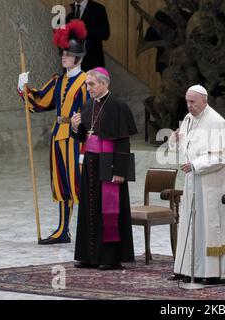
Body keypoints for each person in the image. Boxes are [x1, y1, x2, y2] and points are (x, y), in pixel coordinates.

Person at [17, 20, 89, 245]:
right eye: (63, 54)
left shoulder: (87, 81)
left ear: (77, 57)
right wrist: (24, 88)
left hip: (78, 139)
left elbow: (93, 111)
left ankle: (89, 231)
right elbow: (41, 101)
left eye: (67, 54)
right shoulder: (59, 81)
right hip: (58, 137)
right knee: (62, 184)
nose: (63, 57)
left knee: (80, 184)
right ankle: (62, 230)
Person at [71, 67, 137, 270]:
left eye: (91, 84)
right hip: (91, 165)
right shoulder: (88, 105)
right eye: (87, 84)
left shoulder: (119, 106)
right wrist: (75, 127)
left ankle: (110, 258)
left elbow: (123, 142)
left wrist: (120, 171)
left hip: (110, 165)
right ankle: (89, 256)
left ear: (104, 83)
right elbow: (84, 136)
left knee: (109, 211)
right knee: (89, 210)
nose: (88, 88)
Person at [168, 85, 225, 285]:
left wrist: (196, 165)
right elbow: (185, 147)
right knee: (190, 223)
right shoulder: (188, 119)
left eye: (193, 102)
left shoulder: (216, 122)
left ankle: (212, 272)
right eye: (187, 101)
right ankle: (188, 269)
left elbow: (222, 156)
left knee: (209, 226)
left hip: (212, 183)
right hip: (192, 180)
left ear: (204, 101)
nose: (189, 106)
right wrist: (175, 139)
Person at [66, 0, 110, 71]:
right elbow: (58, 33)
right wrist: (62, 17)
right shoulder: (68, 9)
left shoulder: (98, 8)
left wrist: (83, 30)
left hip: (92, 64)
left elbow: (105, 34)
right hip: (71, 64)